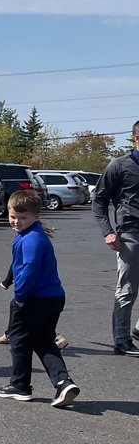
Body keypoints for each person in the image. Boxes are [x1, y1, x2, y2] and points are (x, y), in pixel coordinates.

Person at [0, 191, 79, 407]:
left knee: (19, 341)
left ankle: (20, 385)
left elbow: (30, 268)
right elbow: (18, 264)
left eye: (23, 218)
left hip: (34, 298)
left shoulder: (31, 239)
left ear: (35, 216)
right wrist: (7, 280)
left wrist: (20, 297)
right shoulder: (31, 234)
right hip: (52, 297)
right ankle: (63, 382)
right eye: (13, 216)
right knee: (43, 341)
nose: (16, 221)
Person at [91, 118, 139, 357]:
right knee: (128, 289)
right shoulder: (119, 166)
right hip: (131, 234)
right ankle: (122, 340)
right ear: (137, 139)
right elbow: (99, 200)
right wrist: (108, 231)